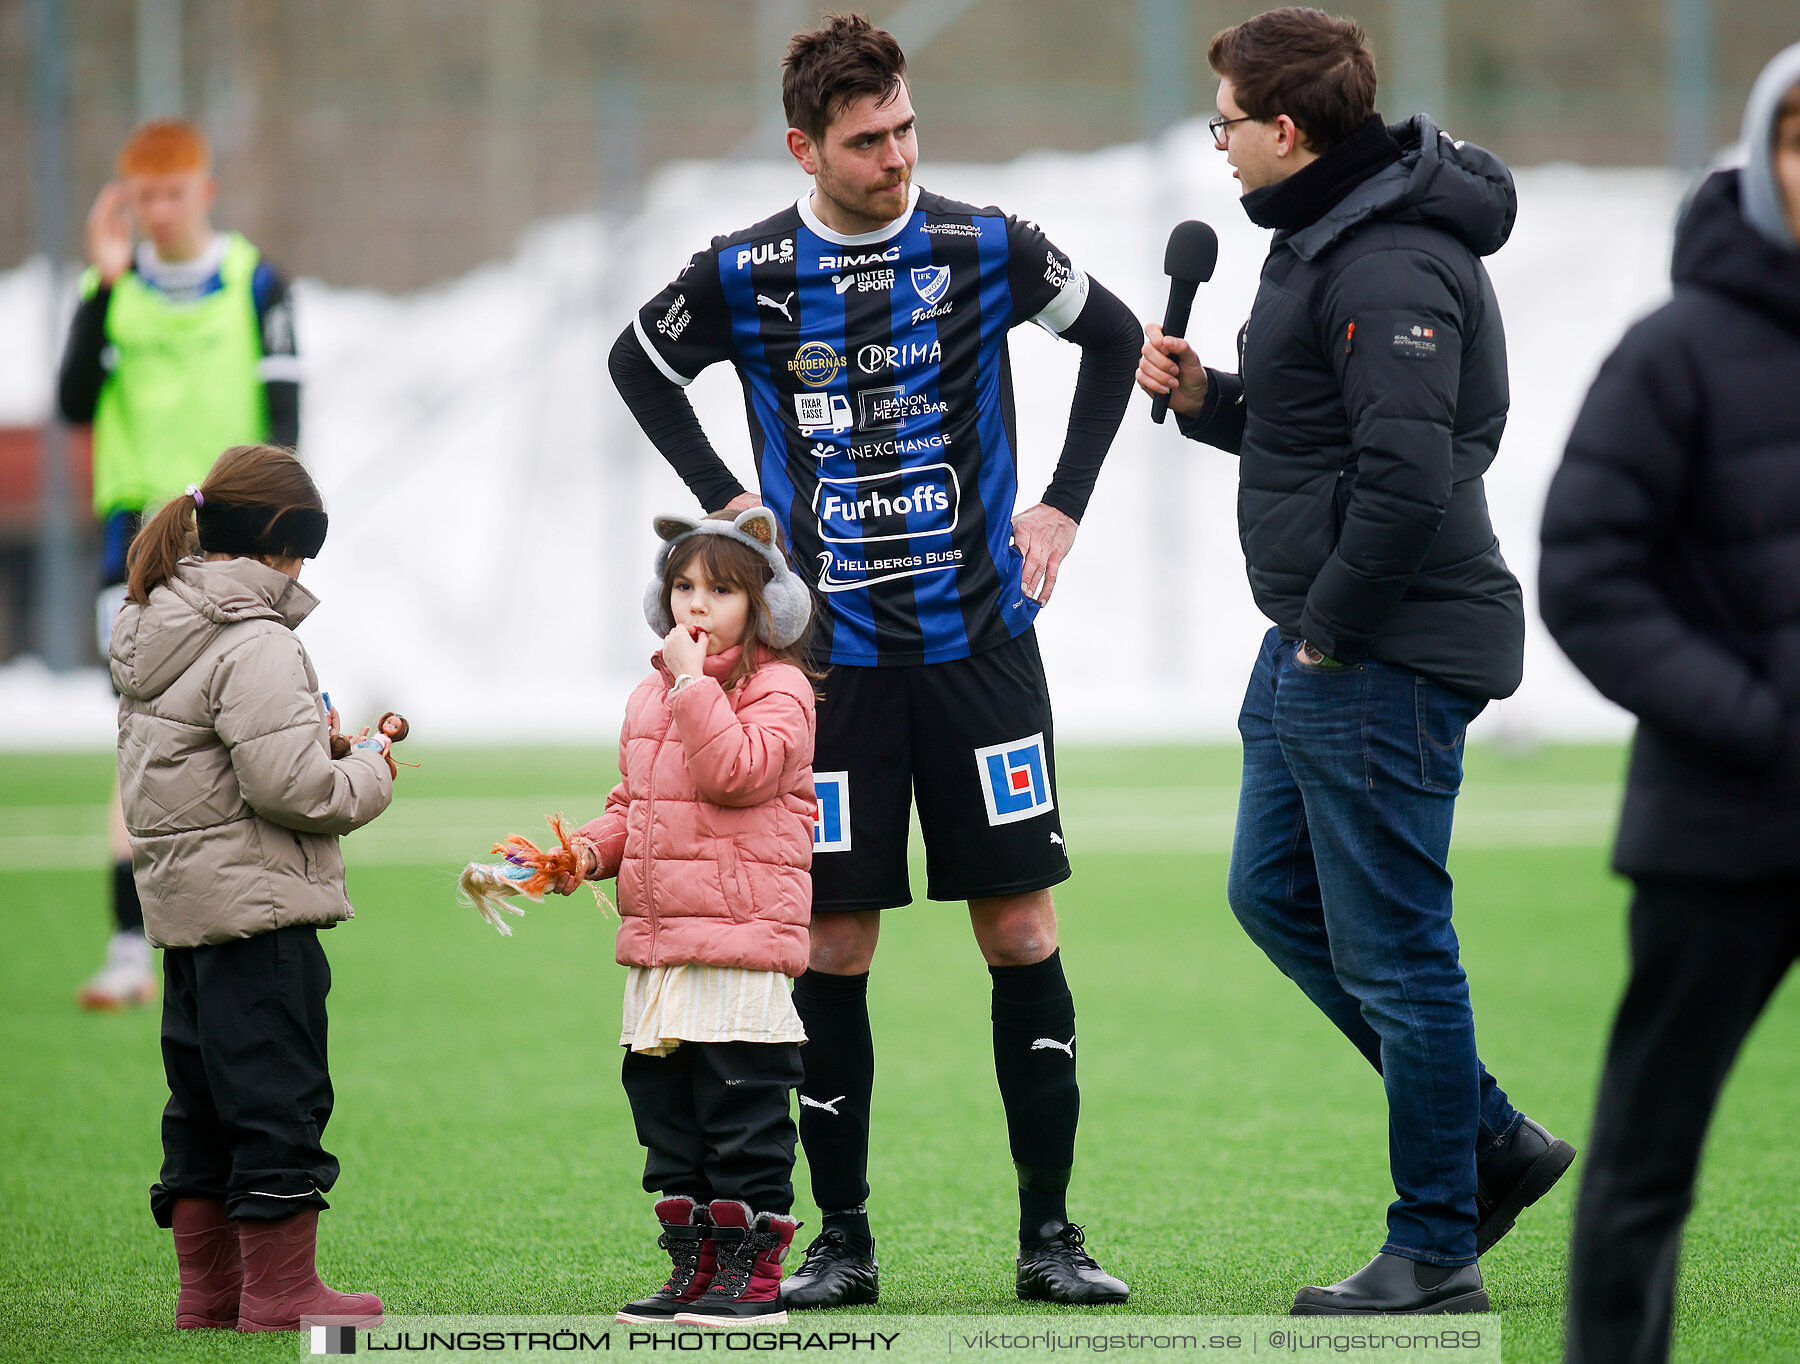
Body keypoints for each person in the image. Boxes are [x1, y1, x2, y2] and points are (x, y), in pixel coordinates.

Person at [608, 12, 1143, 1308]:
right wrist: (728, 501)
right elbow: (638, 361)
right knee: (834, 947)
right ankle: (842, 1242)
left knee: (1020, 929)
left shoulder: (983, 245)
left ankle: (1051, 1239)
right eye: (866, 142)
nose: (897, 157)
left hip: (982, 651)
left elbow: (1118, 337)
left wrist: (1062, 502)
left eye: (906, 128)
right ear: (806, 147)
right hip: (828, 671)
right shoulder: (747, 272)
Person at [1135, 7, 1572, 1313]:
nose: (1214, 146)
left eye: (1224, 124)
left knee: (1398, 950)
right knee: (1273, 894)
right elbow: (1321, 441)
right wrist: (1213, 399)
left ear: (1284, 128)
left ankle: (1435, 1249)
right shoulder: (1324, 232)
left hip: (1375, 643)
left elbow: (1402, 475)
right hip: (1327, 636)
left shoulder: (1386, 259)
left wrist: (1327, 627)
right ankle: (1488, 1140)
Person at [1541, 42, 1800, 1364]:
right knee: (1648, 1161)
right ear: (1763, 159)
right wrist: (1758, 722)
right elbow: (1586, 577)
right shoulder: (1674, 353)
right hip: (1724, 830)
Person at [112, 443, 395, 1332]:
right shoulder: (255, 638)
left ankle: (210, 1291)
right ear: (283, 544)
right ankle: (281, 1292)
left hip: (188, 915)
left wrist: (318, 747)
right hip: (261, 912)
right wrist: (372, 771)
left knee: (198, 1103)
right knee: (279, 1094)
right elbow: (294, 791)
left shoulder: (158, 622)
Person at [546, 509, 818, 1327]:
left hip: (739, 946)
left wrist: (694, 685)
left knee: (743, 1114)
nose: (695, 605)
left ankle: (754, 1278)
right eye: (683, 586)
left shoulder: (782, 689)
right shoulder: (649, 695)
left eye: (721, 590)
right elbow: (638, 805)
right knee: (668, 1117)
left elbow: (736, 772)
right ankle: (694, 1270)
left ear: (764, 604)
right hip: (664, 948)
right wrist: (581, 855)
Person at [58, 118, 301, 1011]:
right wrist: (104, 285)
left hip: (232, 550)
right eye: (141, 196)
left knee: (245, 741)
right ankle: (130, 946)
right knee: (145, 749)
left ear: (204, 191)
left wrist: (276, 543)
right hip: (132, 551)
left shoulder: (257, 282)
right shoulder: (108, 290)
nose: (156, 211)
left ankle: (246, 931)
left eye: (171, 193)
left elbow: (286, 420)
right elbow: (73, 399)